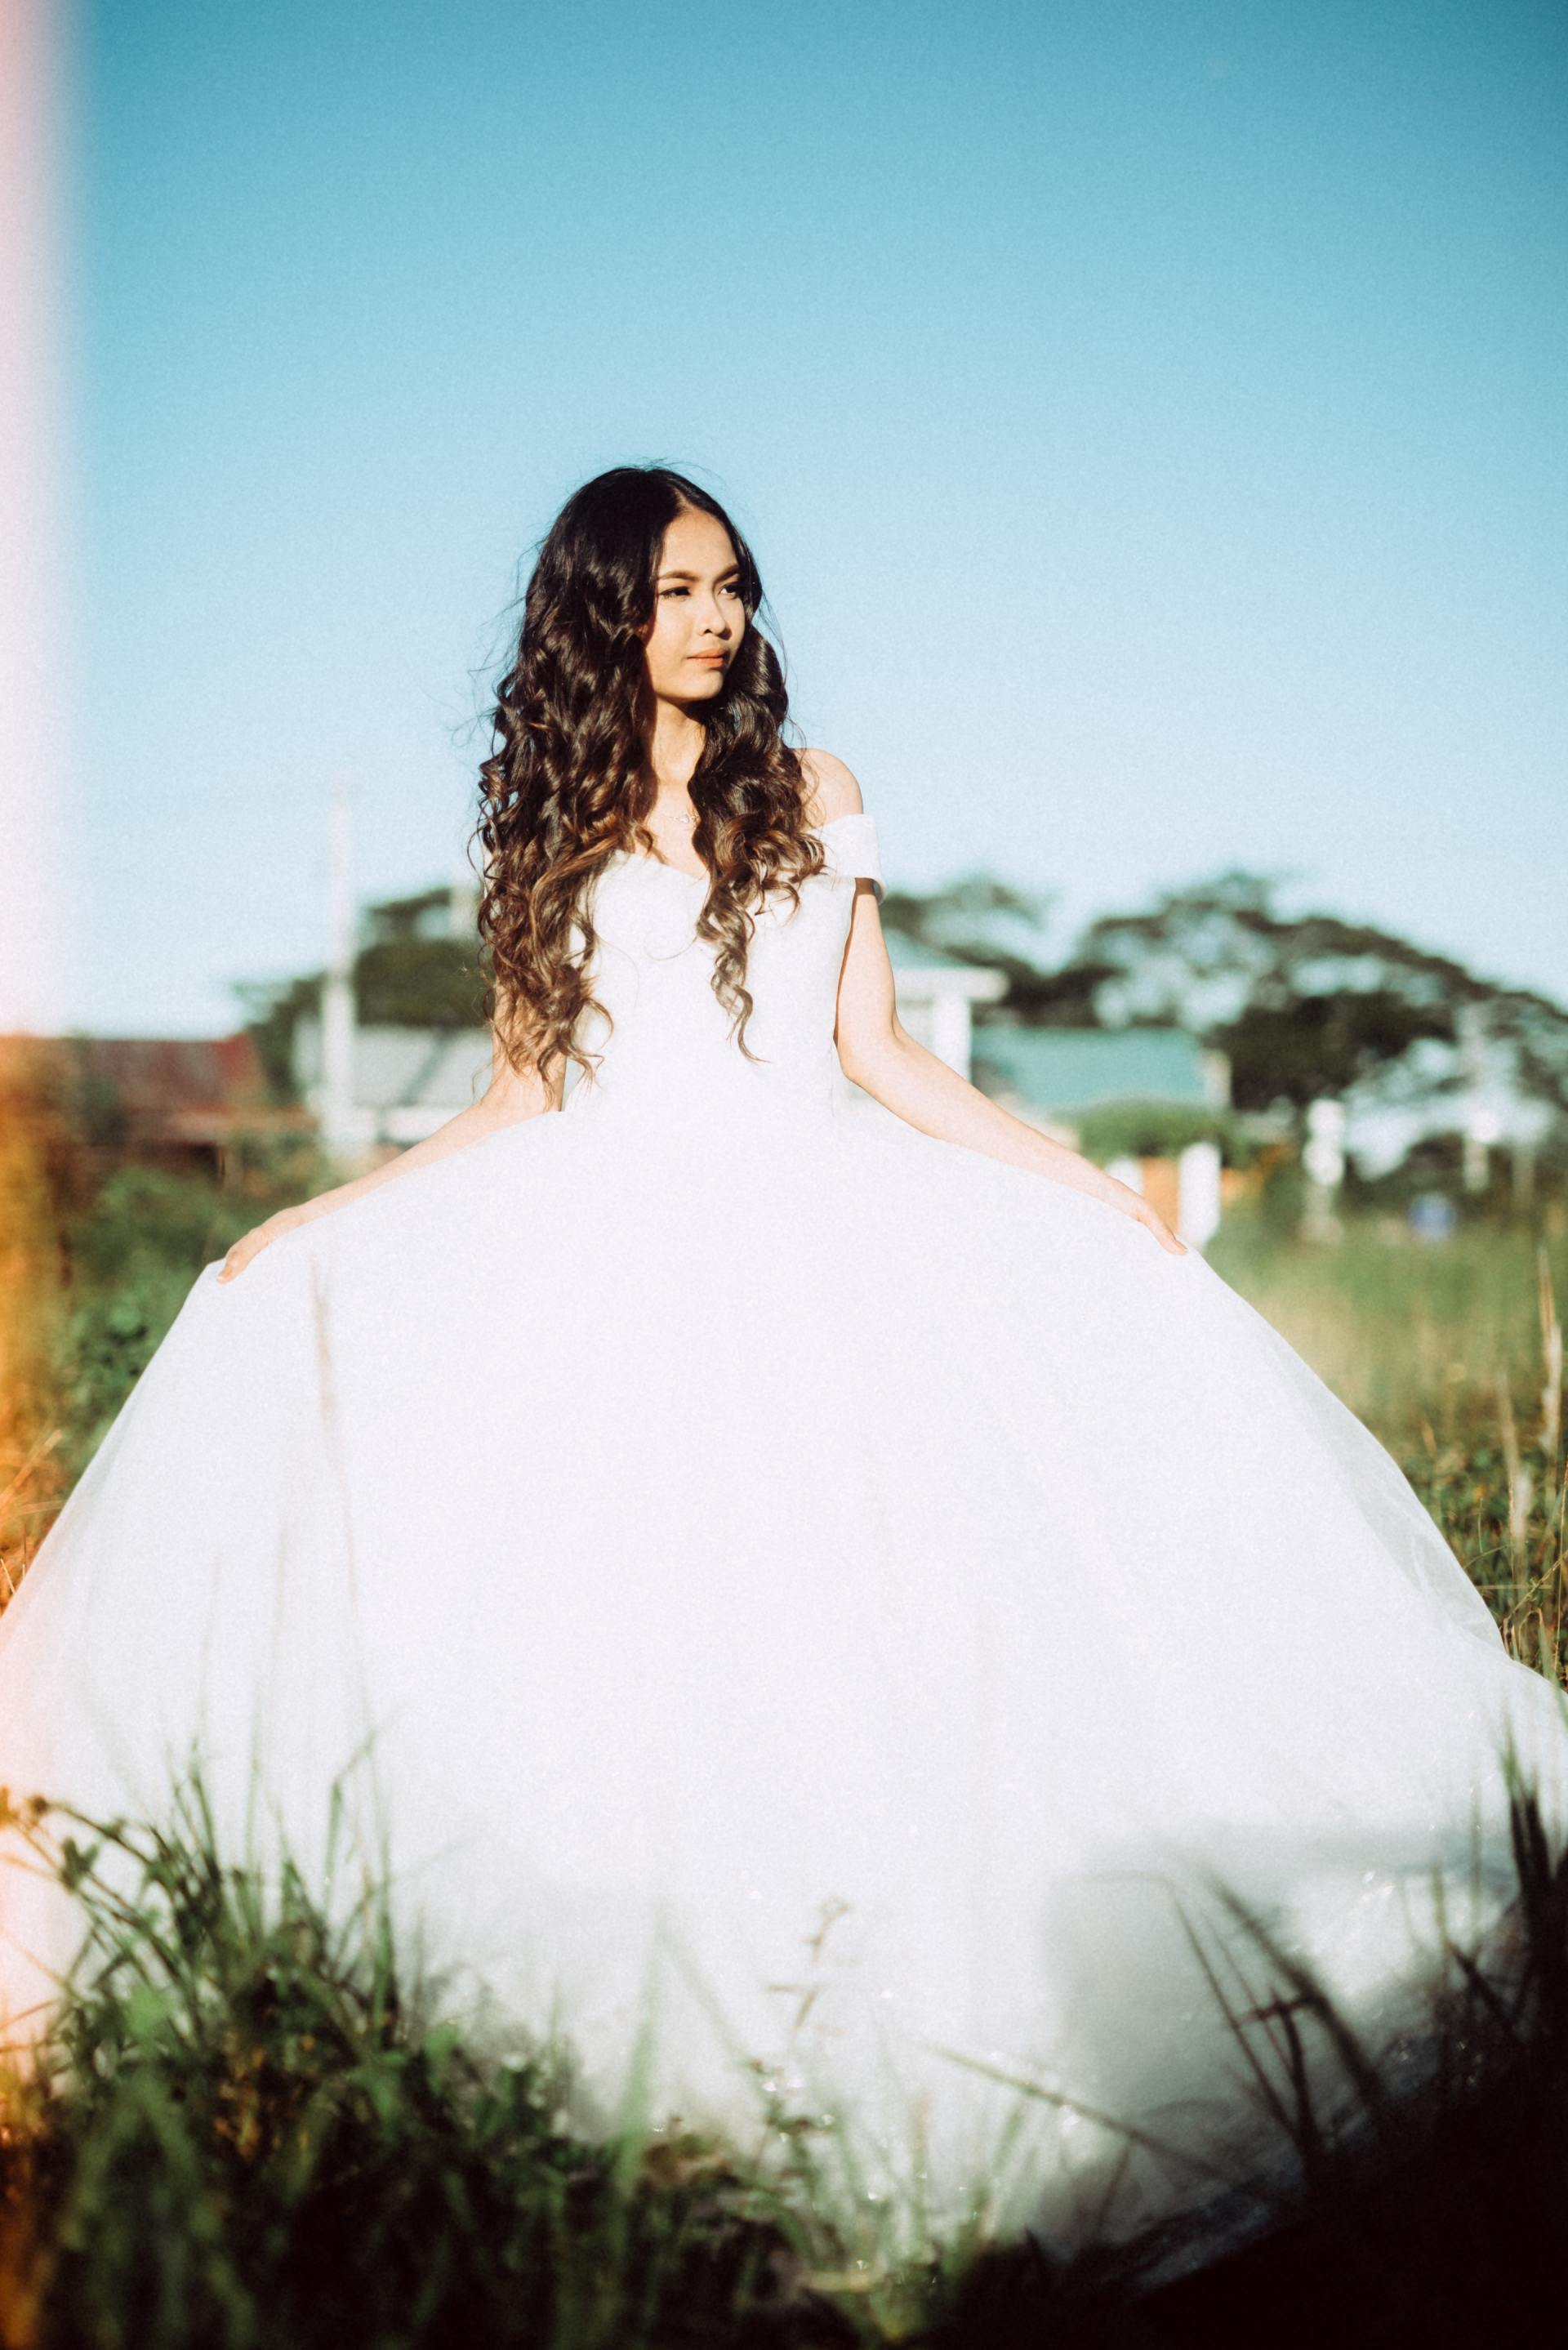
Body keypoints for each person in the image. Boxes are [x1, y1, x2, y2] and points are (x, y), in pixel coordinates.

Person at [1, 464, 1564, 2278]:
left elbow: (885, 1054)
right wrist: (316, 1227)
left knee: (889, 1632)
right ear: (603, 613)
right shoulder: (541, 830)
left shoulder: (816, 793)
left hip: (838, 1239)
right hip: (601, 1258)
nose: (715, 618)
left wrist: (1091, 1190)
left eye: (731, 583)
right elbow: (518, 1100)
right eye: (673, 589)